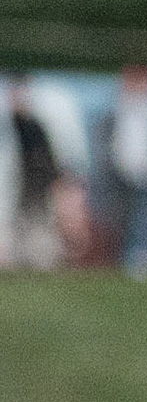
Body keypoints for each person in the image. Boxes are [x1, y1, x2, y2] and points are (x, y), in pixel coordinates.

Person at [108, 64, 147, 274]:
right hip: (122, 174)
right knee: (126, 216)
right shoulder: (117, 109)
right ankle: (127, 256)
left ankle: (143, 255)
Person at [8, 78, 61, 269]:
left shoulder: (34, 126)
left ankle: (40, 263)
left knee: (38, 231)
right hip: (14, 189)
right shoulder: (9, 125)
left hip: (34, 189)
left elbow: (47, 160)